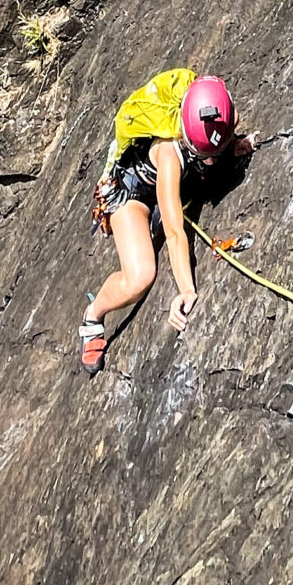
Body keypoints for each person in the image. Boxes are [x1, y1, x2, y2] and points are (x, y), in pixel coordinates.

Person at [78, 66, 251, 376]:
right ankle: (93, 315)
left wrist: (229, 146)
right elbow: (174, 229)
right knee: (141, 276)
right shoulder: (169, 156)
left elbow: (223, 124)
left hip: (165, 184)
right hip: (131, 194)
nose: (211, 159)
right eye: (206, 154)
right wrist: (186, 290)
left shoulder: (218, 109)